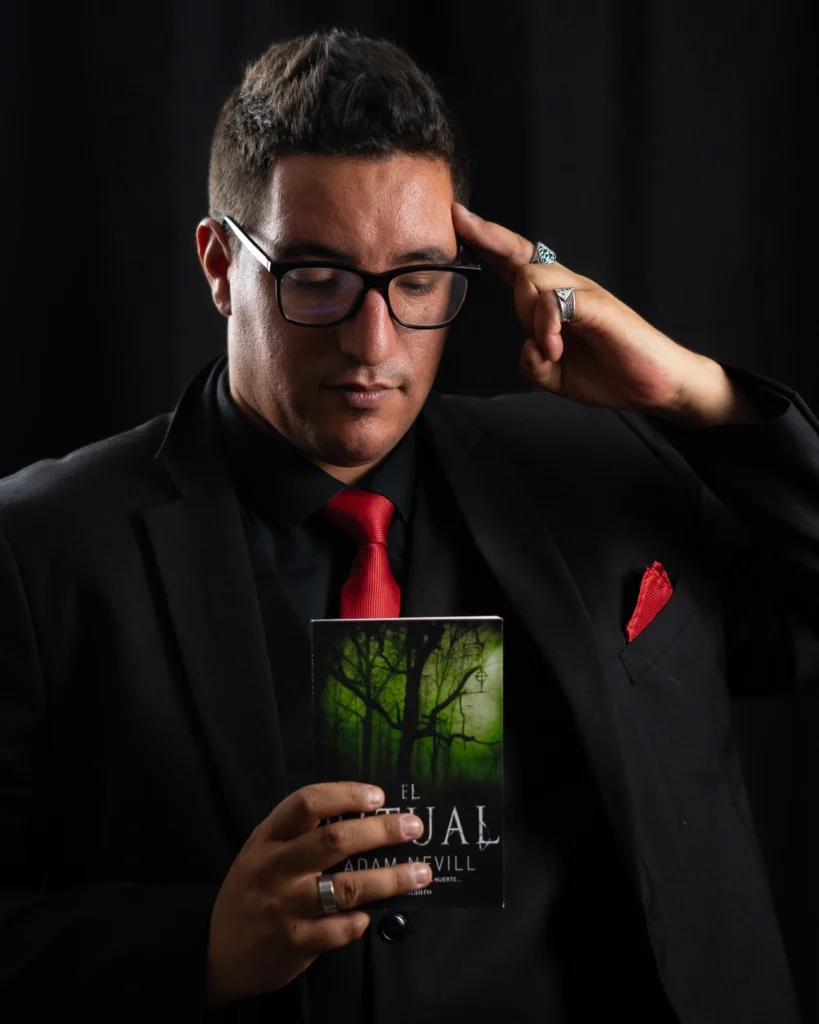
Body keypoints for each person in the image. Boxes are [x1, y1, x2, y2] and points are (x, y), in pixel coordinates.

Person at [0, 27, 816, 1024]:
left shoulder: (598, 469)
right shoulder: (36, 553)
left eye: (418, 280)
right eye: (318, 279)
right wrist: (199, 945)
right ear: (219, 264)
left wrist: (696, 393)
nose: (373, 343)